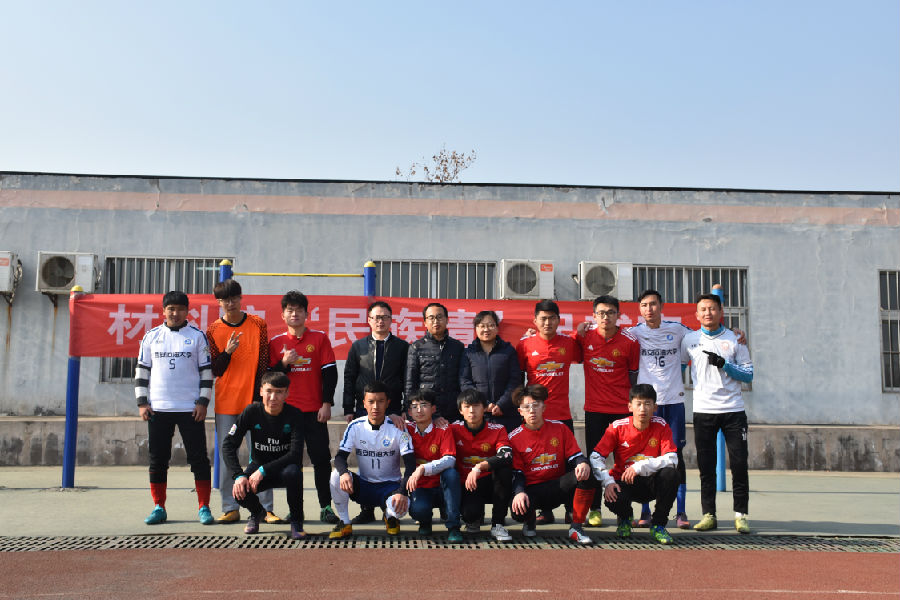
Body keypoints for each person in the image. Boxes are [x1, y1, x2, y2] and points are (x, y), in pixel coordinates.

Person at [135, 291, 214, 526]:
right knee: (158, 460)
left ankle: (204, 507)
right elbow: (142, 371)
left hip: (190, 409)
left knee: (198, 459)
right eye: (171, 309)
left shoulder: (197, 336)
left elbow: (206, 372)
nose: (175, 313)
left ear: (187, 311)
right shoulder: (151, 336)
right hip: (158, 408)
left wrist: (203, 402)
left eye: (180, 309)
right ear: (163, 311)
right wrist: (142, 402)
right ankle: (159, 507)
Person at [206, 278, 278, 524]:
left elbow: (265, 362)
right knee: (228, 455)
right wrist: (227, 352)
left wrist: (261, 397)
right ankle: (230, 507)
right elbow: (215, 369)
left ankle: (266, 508)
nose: (230, 303)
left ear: (240, 298)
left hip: (254, 402)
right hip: (226, 402)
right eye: (225, 300)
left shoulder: (258, 324)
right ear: (219, 302)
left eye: (234, 298)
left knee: (261, 454)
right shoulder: (213, 330)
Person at [681, 293, 754, 534]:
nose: (708, 313)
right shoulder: (689, 340)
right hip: (703, 411)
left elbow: (748, 375)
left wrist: (725, 365)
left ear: (721, 311)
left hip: (733, 411)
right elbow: (678, 368)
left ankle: (741, 515)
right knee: (706, 466)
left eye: (712, 309)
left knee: (739, 464)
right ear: (696, 314)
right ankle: (708, 514)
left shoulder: (736, 339)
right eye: (703, 309)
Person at [268, 290, 340, 525]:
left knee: (321, 460)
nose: (295, 314)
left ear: (307, 314)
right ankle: (295, 511)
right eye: (290, 310)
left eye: (299, 310)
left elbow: (330, 374)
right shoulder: (275, 343)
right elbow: (269, 379)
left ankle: (325, 507)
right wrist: (284, 363)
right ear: (283, 315)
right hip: (287, 415)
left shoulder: (319, 338)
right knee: (292, 464)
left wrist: (326, 403)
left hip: (315, 412)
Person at [626, 289, 695, 529]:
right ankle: (645, 512)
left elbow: (703, 338)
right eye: (644, 305)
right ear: (640, 309)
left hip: (673, 402)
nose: (649, 309)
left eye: (653, 304)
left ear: (661, 306)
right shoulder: (634, 333)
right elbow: (606, 335)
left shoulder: (677, 330)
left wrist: (736, 334)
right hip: (647, 404)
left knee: (676, 457)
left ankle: (681, 512)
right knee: (646, 455)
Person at [573, 295, 640, 528]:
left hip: (622, 411)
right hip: (595, 410)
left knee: (624, 462)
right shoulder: (584, 337)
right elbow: (567, 345)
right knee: (594, 459)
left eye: (611, 312)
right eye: (601, 313)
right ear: (593, 315)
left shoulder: (630, 341)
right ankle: (595, 509)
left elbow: (634, 376)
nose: (606, 317)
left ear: (618, 315)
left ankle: (624, 512)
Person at [516, 299, 583, 525]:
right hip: (535, 416)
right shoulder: (525, 345)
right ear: (535, 321)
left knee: (566, 463)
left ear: (558, 320)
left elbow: (584, 352)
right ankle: (544, 510)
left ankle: (571, 509)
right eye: (543, 319)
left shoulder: (569, 343)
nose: (547, 323)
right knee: (539, 463)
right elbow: (518, 379)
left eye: (552, 318)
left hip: (562, 414)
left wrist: (580, 332)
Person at [342, 300, 409, 525]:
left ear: (391, 320)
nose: (380, 321)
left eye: (385, 317)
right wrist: (348, 408)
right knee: (367, 456)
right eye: (376, 317)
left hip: (392, 408)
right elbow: (350, 377)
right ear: (369, 320)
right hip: (364, 409)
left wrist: (402, 409)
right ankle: (367, 509)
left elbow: (407, 379)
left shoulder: (402, 347)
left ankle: (388, 502)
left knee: (387, 455)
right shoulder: (358, 346)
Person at [509, 384, 598, 545]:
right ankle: (529, 519)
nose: (532, 410)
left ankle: (576, 527)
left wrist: (582, 463)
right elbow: (517, 473)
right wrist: (519, 492)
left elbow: (575, 456)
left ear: (544, 407)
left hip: (558, 486)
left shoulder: (560, 428)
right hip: (533, 489)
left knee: (587, 473)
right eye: (526, 407)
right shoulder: (514, 438)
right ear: (520, 411)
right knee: (518, 512)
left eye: (536, 405)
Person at [221, 371, 306, 539]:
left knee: (294, 473)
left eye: (279, 392)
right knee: (239, 490)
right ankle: (257, 512)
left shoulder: (295, 415)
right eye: (269, 391)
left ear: (287, 394)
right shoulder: (251, 412)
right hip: (258, 467)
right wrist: (238, 475)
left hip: (284, 468)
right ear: (261, 391)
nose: (273, 397)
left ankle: (296, 522)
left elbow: (295, 455)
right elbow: (228, 445)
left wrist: (263, 470)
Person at [590, 384, 679, 545]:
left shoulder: (661, 425)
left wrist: (639, 467)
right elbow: (595, 457)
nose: (642, 409)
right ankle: (625, 518)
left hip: (651, 482)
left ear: (655, 407)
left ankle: (658, 525)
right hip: (624, 482)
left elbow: (672, 458)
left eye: (647, 404)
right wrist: (607, 481)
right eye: (638, 404)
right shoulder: (617, 427)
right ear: (630, 406)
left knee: (671, 474)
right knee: (612, 497)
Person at [328, 381, 416, 538]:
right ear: (364, 403)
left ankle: (390, 516)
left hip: (390, 487)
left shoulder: (399, 427)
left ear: (388, 403)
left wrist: (402, 492)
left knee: (401, 508)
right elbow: (340, 457)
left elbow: (410, 465)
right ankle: (345, 522)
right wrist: (344, 473)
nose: (376, 406)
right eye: (371, 401)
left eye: (381, 401)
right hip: (364, 486)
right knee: (336, 475)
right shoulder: (355, 426)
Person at [450, 389, 513, 541]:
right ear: (460, 410)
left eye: (476, 406)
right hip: (468, 484)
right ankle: (473, 518)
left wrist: (479, 467)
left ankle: (497, 524)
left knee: (504, 470)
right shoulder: (453, 429)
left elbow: (506, 455)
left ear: (484, 408)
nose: (472, 410)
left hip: (491, 482)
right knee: (470, 514)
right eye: (467, 406)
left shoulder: (498, 429)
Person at [405, 391, 463, 543]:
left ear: (433, 409)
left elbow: (450, 459)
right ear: (409, 412)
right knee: (419, 511)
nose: (419, 410)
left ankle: (453, 527)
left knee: (451, 474)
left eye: (424, 405)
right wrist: (393, 416)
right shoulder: (406, 429)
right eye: (414, 407)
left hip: (442, 485)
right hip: (421, 486)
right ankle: (425, 521)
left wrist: (423, 468)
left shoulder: (443, 429)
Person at [459, 310, 522, 432]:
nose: (486, 329)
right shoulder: (469, 353)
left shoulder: (508, 351)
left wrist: (501, 404)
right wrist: (484, 404)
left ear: (497, 328)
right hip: (479, 415)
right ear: (476, 329)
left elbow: (515, 380)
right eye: (482, 326)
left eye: (490, 325)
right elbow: (465, 382)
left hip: (507, 413)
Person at [406, 302, 465, 423]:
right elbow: (410, 382)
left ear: (447, 320)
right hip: (426, 411)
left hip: (453, 411)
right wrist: (409, 409)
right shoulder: (416, 347)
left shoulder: (457, 346)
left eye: (439, 317)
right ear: (425, 322)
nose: (436, 321)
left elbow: (463, 380)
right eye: (431, 318)